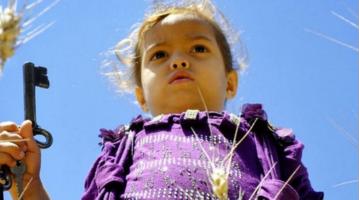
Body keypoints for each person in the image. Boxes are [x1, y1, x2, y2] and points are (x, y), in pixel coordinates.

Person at [0, 1, 323, 199]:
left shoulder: (267, 144)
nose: (179, 61)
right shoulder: (124, 149)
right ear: (140, 94)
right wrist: (27, 184)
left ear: (231, 82)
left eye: (198, 48)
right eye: (159, 54)